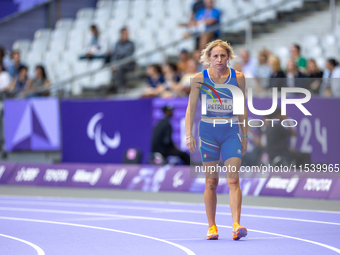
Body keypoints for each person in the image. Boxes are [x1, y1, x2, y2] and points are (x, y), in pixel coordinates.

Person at [185, 39, 248, 240]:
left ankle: (236, 225)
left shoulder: (238, 77)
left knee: (233, 180)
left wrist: (244, 135)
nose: (219, 59)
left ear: (228, 57)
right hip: (208, 132)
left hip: (230, 132)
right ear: (208, 58)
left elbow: (242, 109)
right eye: (215, 56)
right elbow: (191, 109)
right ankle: (212, 227)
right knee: (211, 181)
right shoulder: (198, 78)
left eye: (223, 56)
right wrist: (189, 134)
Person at [111, 27, 135, 93]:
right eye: (125, 33)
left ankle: (122, 86)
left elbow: (128, 56)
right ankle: (113, 87)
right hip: (119, 64)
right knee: (113, 67)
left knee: (119, 68)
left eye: (127, 34)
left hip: (128, 64)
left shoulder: (131, 44)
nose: (126, 35)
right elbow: (115, 55)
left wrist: (118, 61)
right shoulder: (117, 44)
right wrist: (113, 64)